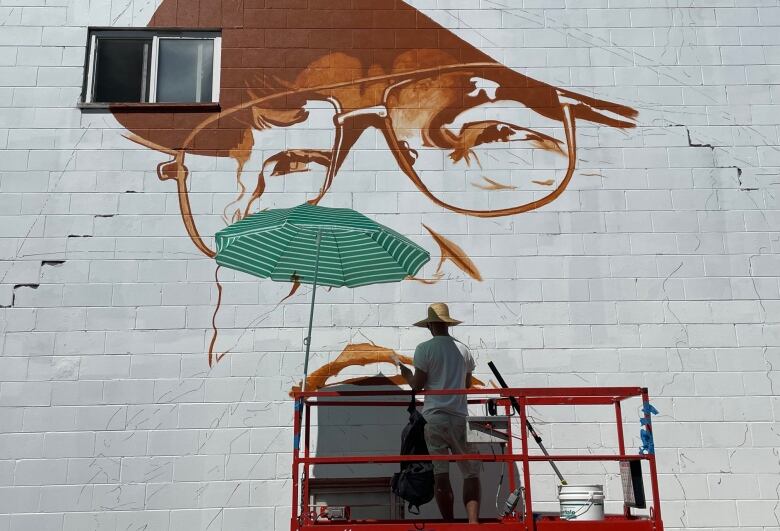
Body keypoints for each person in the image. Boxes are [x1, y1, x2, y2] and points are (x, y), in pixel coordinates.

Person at [396, 303, 480, 524]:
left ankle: (450, 523)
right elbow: (468, 384)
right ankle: (473, 523)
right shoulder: (463, 349)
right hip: (460, 417)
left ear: (430, 325)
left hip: (434, 418)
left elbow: (417, 385)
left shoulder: (424, 348)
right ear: (447, 324)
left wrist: (405, 373)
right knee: (470, 472)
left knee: (440, 474)